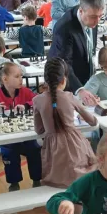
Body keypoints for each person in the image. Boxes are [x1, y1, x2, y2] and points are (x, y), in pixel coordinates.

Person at [33, 58, 99, 188]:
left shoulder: (37, 100)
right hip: (76, 146)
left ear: (45, 80)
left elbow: (39, 130)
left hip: (53, 151)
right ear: (64, 80)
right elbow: (93, 122)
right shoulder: (69, 96)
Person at [0, 63, 43, 191]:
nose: (21, 79)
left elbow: (38, 101)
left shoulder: (25, 92)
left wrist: (26, 105)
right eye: (17, 76)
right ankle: (14, 183)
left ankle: (37, 179)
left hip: (25, 134)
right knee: (9, 153)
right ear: (5, 79)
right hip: (6, 135)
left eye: (21, 76)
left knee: (35, 150)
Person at [48, 0, 104, 97]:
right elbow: (65, 63)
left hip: (85, 75)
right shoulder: (64, 28)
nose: (97, 21)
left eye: (100, 16)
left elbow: (90, 48)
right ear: (81, 11)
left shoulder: (92, 17)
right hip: (66, 82)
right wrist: (79, 89)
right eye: (93, 17)